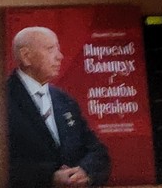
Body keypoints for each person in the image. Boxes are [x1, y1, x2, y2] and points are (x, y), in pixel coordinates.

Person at [7, 27, 110, 188]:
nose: (59, 56)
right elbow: (1, 164)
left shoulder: (64, 100)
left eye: (58, 49)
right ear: (26, 56)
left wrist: (85, 172)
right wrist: (49, 177)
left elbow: (98, 151)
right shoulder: (2, 99)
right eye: (50, 49)